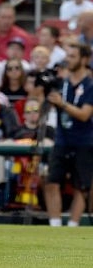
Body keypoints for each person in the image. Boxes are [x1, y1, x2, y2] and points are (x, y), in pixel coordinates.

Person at [45, 42, 93, 227]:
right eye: (68, 56)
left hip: (84, 141)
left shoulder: (90, 85)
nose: (68, 60)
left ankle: (73, 225)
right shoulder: (62, 83)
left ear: (84, 59)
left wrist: (62, 104)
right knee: (51, 182)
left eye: (73, 56)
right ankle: (55, 224)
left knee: (81, 186)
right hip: (62, 139)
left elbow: (84, 115)